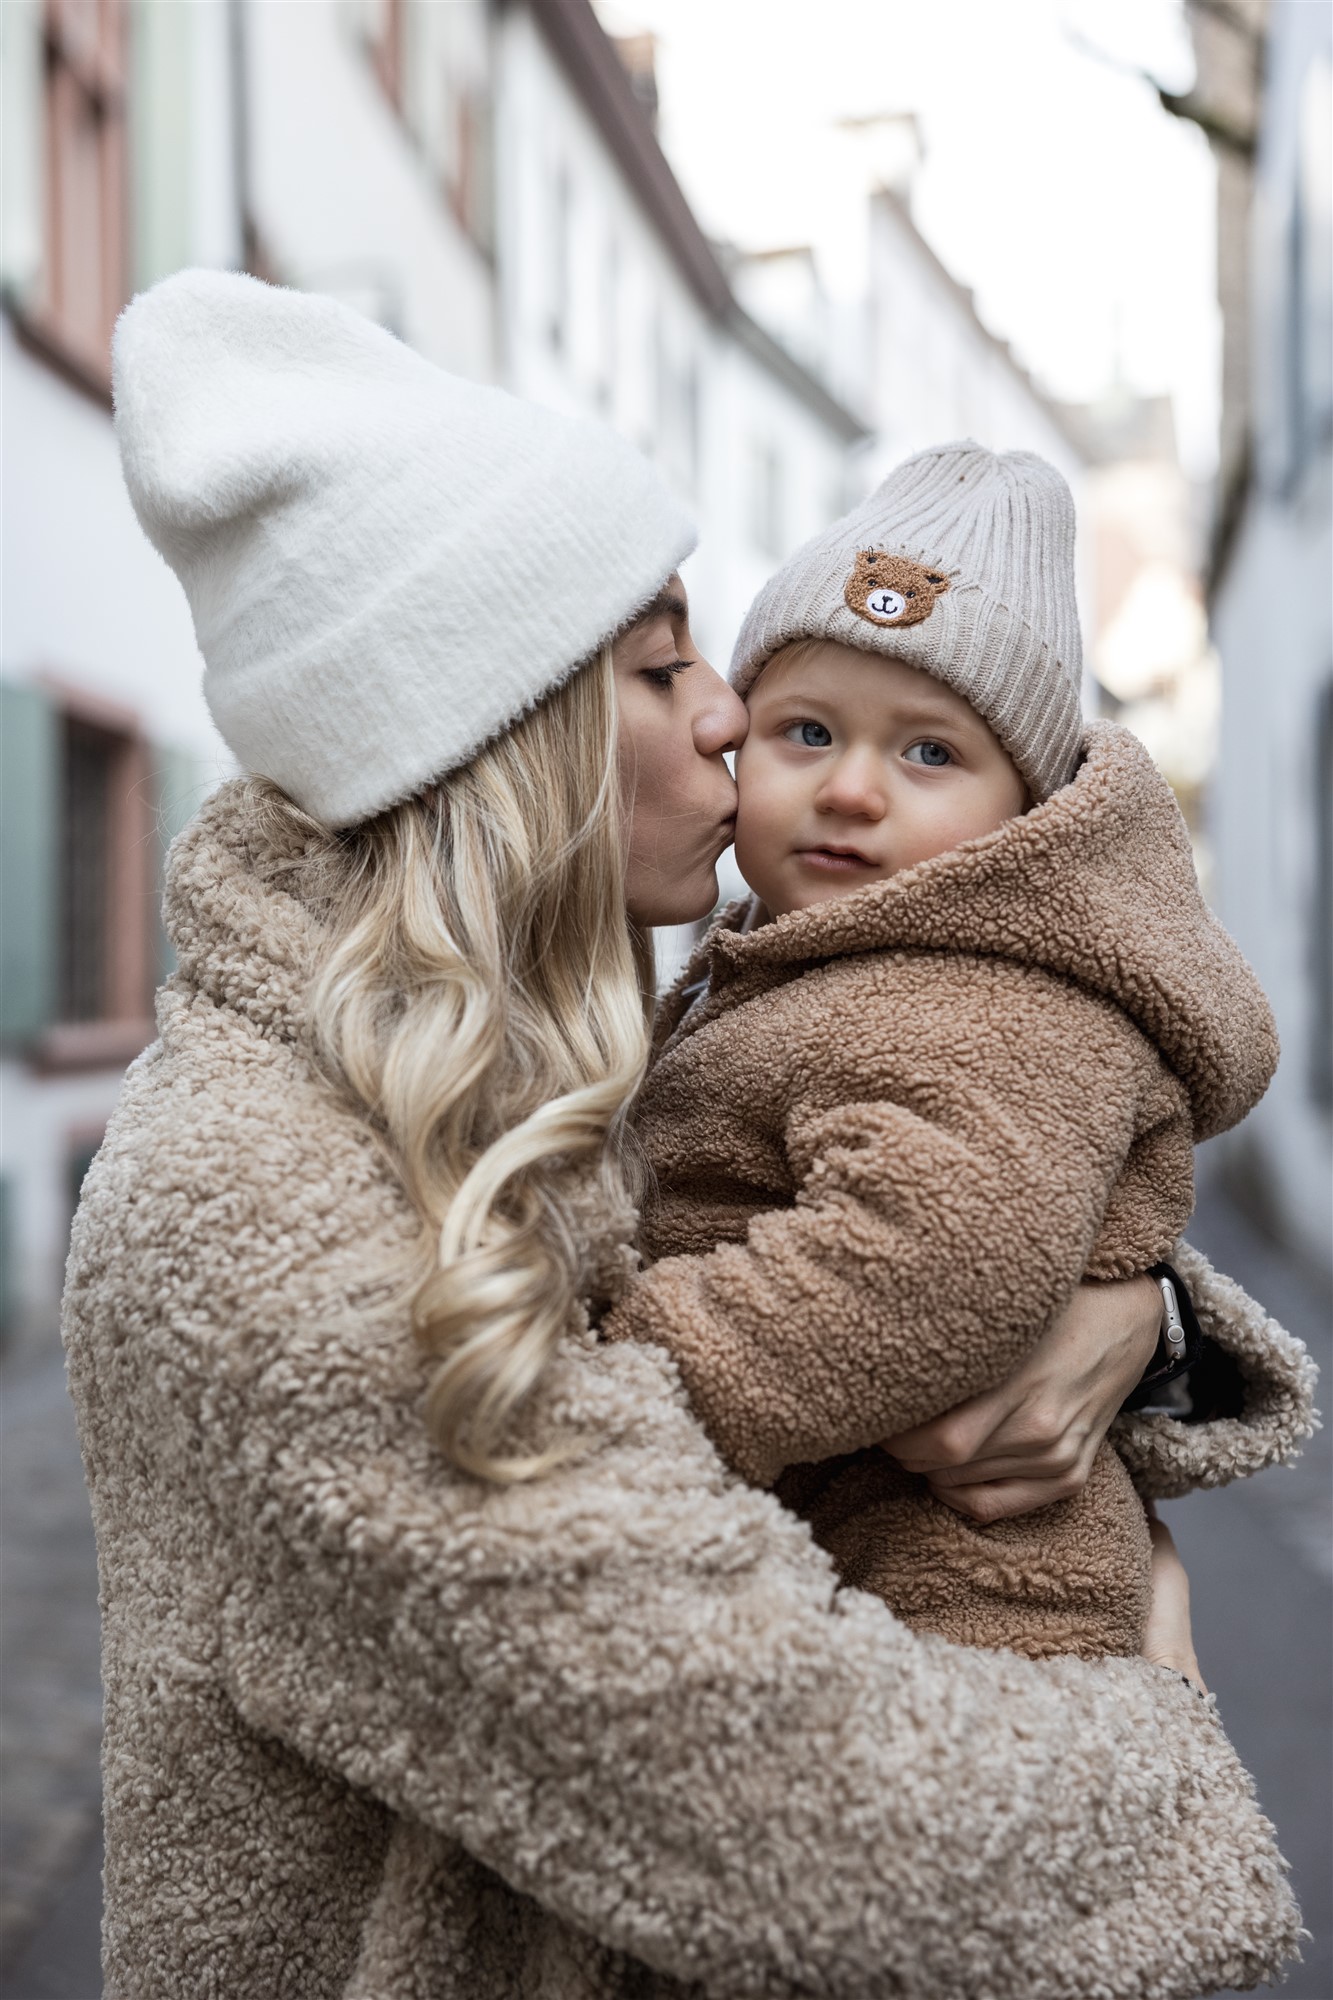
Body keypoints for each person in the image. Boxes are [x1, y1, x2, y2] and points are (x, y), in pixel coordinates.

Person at [62, 270, 1314, 2000]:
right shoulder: (257, 1207)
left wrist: (1136, 1321)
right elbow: (769, 1768)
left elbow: (914, 1184)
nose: (732, 713)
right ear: (506, 748)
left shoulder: (511, 1063)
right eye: (664, 664)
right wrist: (1157, 1727)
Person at [602, 441, 1284, 1665]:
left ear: (1025, 813)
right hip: (816, 1556)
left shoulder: (991, 994)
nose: (853, 789)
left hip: (956, 1595)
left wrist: (617, 1376)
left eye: (928, 753)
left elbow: (930, 1255)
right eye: (805, 730)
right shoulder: (812, 956)